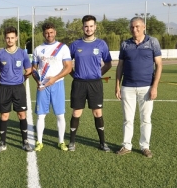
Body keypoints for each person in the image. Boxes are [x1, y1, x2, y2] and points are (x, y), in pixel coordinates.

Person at [115, 17, 162, 158]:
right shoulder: (125, 44)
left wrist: (155, 87)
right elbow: (120, 66)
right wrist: (117, 86)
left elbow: (159, 65)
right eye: (132, 27)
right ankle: (126, 145)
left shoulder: (153, 42)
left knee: (145, 119)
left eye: (137, 27)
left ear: (144, 27)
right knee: (127, 119)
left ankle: (145, 146)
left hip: (147, 87)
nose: (134, 29)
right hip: (127, 87)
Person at [68, 15, 112, 152]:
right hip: (79, 83)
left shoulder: (101, 44)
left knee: (97, 112)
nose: (88, 29)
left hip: (95, 84)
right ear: (82, 27)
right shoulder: (75, 45)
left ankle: (102, 142)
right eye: (86, 26)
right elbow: (67, 64)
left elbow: (108, 63)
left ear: (95, 27)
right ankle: (72, 142)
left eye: (91, 26)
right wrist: (73, 73)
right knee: (76, 112)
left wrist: (99, 73)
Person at [32, 22, 72, 152]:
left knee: (60, 115)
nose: (49, 35)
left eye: (51, 32)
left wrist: (54, 79)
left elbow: (68, 67)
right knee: (41, 115)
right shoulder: (38, 49)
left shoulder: (63, 47)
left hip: (57, 85)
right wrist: (38, 80)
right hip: (43, 86)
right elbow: (34, 68)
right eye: (46, 33)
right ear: (43, 34)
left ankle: (61, 141)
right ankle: (39, 142)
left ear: (55, 32)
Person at [0, 26, 33, 153]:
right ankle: (2, 142)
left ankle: (25, 142)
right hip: (4, 88)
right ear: (5, 38)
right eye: (7, 38)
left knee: (21, 114)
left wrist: (21, 80)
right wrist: (3, 80)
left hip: (18, 88)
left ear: (16, 38)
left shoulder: (22, 53)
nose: (10, 40)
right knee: (4, 115)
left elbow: (29, 70)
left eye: (12, 38)